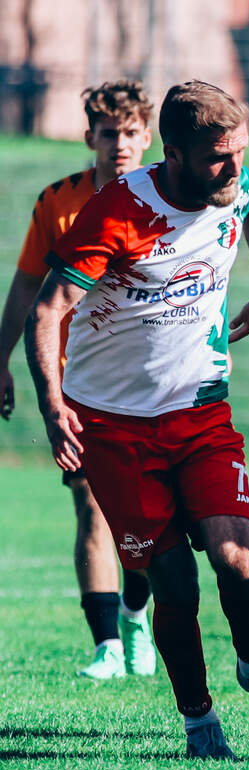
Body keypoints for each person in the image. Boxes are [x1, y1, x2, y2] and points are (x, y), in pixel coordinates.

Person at [26, 80, 249, 759]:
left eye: (240, 151)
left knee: (237, 558)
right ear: (176, 154)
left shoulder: (235, 184)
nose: (234, 167)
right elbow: (47, 309)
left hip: (200, 411)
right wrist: (52, 405)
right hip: (113, 427)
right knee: (174, 583)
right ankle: (198, 720)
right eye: (219, 156)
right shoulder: (119, 211)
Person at [0, 80, 158, 679]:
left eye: (131, 132)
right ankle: (107, 646)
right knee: (91, 506)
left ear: (148, 137)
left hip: (151, 383)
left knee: (146, 518)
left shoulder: (168, 198)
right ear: (90, 137)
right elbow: (27, 286)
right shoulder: (58, 203)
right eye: (109, 132)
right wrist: (1, 359)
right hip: (79, 384)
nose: (120, 143)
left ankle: (136, 614)